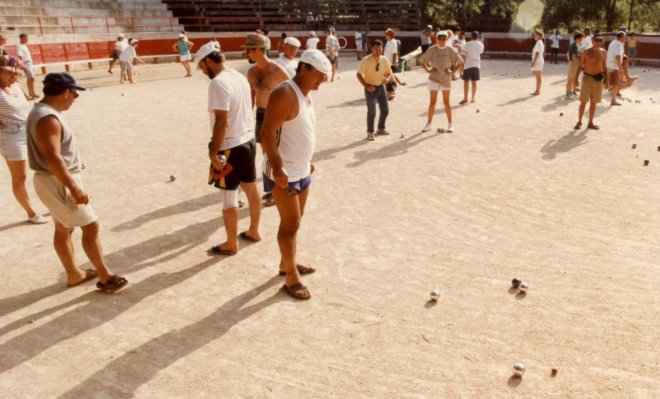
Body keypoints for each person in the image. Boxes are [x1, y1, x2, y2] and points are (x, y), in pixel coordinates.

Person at [27, 72, 127, 291]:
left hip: (52, 179)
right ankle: (105, 276)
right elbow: (53, 157)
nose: (75, 99)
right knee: (90, 226)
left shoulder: (43, 112)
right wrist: (73, 187)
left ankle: (74, 274)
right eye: (74, 94)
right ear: (65, 92)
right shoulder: (48, 118)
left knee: (63, 228)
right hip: (58, 180)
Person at [260, 49, 331, 300]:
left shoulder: (305, 94)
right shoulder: (285, 93)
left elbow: (298, 132)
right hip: (284, 171)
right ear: (304, 69)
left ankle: (286, 263)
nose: (321, 81)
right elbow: (267, 132)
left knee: (295, 222)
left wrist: (307, 160)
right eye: (319, 76)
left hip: (300, 168)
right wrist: (278, 167)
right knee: (291, 224)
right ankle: (291, 278)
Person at [195, 43, 262, 255]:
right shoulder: (238, 75)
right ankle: (254, 230)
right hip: (248, 141)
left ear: (207, 61)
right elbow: (251, 99)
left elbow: (221, 121)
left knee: (228, 198)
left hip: (230, 146)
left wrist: (213, 152)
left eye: (202, 66)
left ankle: (231, 243)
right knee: (251, 188)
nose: (202, 71)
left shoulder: (217, 83)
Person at [0, 55, 47, 224]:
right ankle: (31, 213)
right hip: (10, 136)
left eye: (16, 73)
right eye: (10, 73)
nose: (15, 76)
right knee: (20, 177)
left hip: (28, 130)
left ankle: (53, 201)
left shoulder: (17, 86)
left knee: (46, 166)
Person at [245, 33, 290, 205]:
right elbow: (251, 97)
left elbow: (293, 91)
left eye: (249, 50)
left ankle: (281, 189)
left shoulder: (277, 70)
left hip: (276, 115)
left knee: (277, 154)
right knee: (266, 156)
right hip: (260, 115)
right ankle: (272, 190)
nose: (246, 54)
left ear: (257, 49)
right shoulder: (252, 72)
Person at [418, 30, 463, 133]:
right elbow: (421, 60)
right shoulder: (432, 49)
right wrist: (428, 69)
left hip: (446, 79)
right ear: (436, 39)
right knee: (432, 102)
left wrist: (452, 72)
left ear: (447, 39)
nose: (442, 40)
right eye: (440, 38)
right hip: (433, 79)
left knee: (446, 102)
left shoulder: (450, 49)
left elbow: (460, 62)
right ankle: (428, 124)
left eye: (444, 38)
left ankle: (450, 124)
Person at [356, 39, 392, 141]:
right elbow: (358, 74)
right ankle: (370, 132)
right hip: (370, 89)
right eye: (376, 49)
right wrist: (366, 86)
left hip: (381, 87)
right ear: (371, 49)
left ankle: (381, 128)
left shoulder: (384, 59)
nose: (378, 51)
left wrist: (387, 79)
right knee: (372, 111)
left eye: (380, 49)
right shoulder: (366, 60)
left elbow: (388, 72)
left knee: (385, 110)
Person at [574, 35, 608, 130]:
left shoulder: (604, 52)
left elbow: (604, 67)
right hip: (587, 78)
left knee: (594, 103)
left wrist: (607, 80)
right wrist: (576, 79)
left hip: (598, 80)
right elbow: (580, 66)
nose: (598, 42)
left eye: (600, 40)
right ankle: (579, 121)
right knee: (583, 102)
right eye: (596, 40)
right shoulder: (586, 52)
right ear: (592, 41)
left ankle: (590, 122)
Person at [459, 31, 484, 104]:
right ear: (478, 37)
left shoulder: (467, 44)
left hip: (468, 65)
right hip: (477, 65)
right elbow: (480, 53)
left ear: (471, 37)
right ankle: (473, 98)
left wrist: (461, 67)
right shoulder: (481, 45)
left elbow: (463, 56)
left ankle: (465, 98)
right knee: (474, 82)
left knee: (466, 82)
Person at [16, 33, 38, 99]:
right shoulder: (19, 46)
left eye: (27, 38)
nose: (27, 39)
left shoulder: (24, 45)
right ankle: (31, 94)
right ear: (21, 38)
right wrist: (23, 65)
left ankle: (33, 93)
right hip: (26, 64)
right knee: (30, 78)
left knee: (32, 79)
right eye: (25, 38)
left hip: (30, 63)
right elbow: (20, 56)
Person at [607, 31, 626, 106]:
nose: (625, 38)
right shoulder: (618, 44)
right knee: (616, 84)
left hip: (609, 65)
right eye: (624, 36)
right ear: (621, 37)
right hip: (614, 66)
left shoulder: (613, 42)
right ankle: (613, 100)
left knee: (611, 83)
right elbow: (617, 57)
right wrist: (620, 68)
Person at [566, 31, 583, 98]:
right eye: (581, 39)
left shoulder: (573, 45)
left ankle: (570, 92)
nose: (581, 40)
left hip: (573, 64)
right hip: (573, 64)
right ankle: (568, 93)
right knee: (571, 79)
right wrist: (580, 60)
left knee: (572, 78)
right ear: (578, 39)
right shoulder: (574, 46)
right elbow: (573, 58)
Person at [530, 30, 545, 95]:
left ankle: (537, 91)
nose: (534, 36)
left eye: (535, 35)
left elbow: (537, 53)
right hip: (538, 61)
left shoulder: (539, 42)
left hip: (538, 61)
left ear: (539, 35)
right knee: (537, 77)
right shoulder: (539, 42)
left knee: (538, 77)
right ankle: (537, 90)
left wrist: (533, 62)